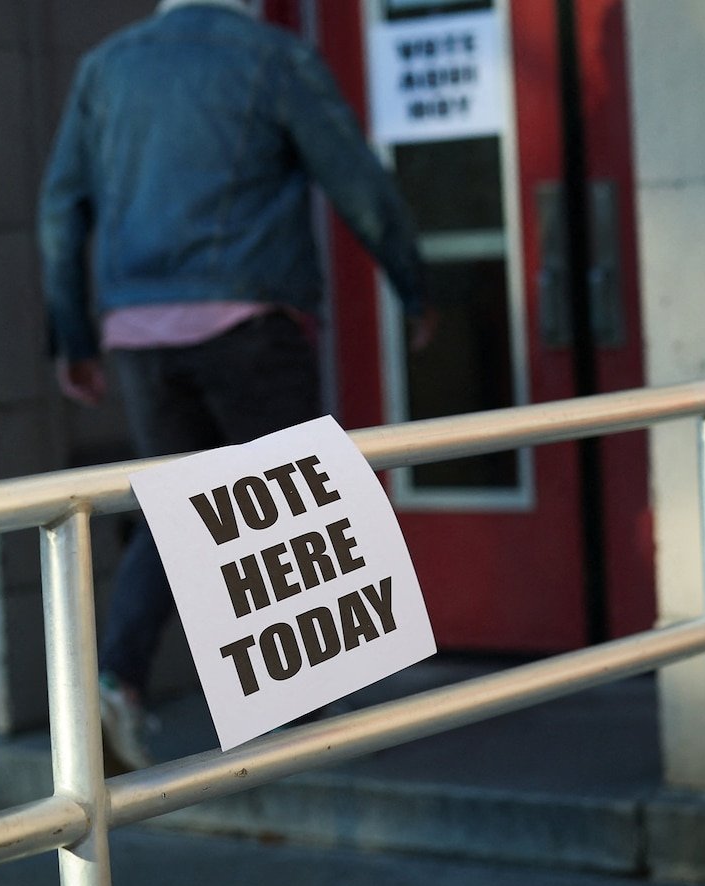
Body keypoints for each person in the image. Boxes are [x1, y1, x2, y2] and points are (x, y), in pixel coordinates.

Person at [39, 0, 432, 771]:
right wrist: (413, 286)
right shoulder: (272, 56)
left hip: (140, 332)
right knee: (289, 500)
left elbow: (61, 210)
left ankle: (117, 680)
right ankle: (305, 716)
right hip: (249, 318)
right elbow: (356, 179)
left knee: (180, 505)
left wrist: (74, 336)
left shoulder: (105, 69)